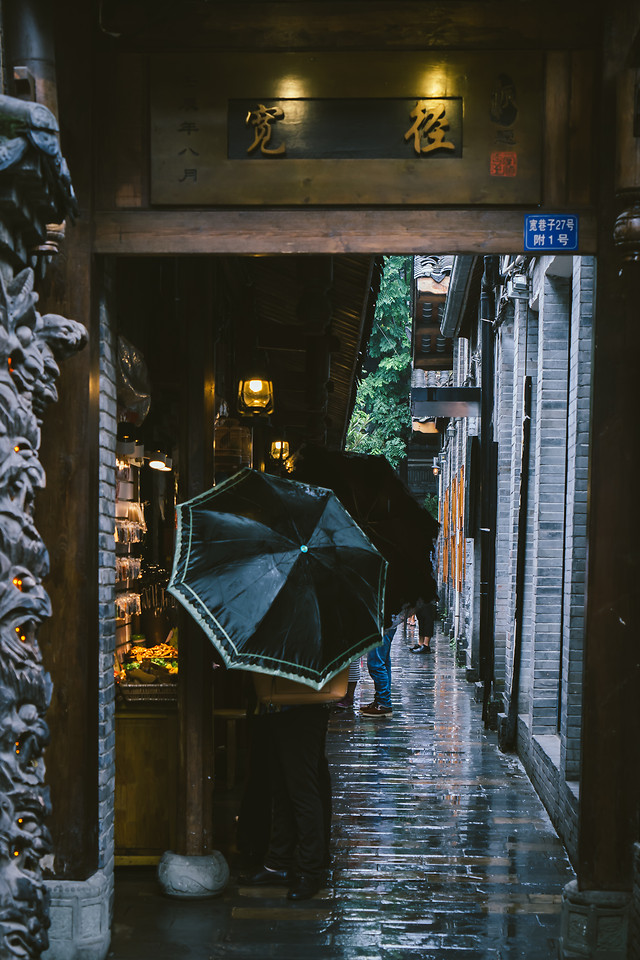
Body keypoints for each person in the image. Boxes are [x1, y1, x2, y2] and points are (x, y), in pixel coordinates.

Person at [240, 700, 331, 900]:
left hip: (301, 706)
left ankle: (310, 871)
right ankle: (278, 863)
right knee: (282, 790)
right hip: (278, 707)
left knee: (302, 791)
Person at [360, 606, 409, 718]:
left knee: (376, 663)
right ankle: (381, 701)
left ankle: (383, 703)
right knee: (383, 662)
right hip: (387, 620)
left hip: (383, 622)